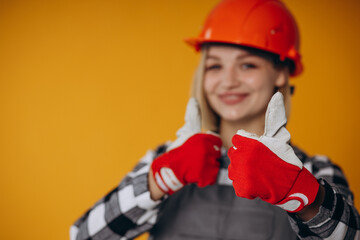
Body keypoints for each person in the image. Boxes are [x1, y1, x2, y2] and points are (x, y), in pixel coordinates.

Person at [70, 0, 360, 239]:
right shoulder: (165, 159)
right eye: (214, 66)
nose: (228, 81)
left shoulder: (314, 171)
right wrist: (160, 180)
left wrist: (301, 193)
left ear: (282, 71)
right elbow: (82, 235)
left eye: (247, 64)